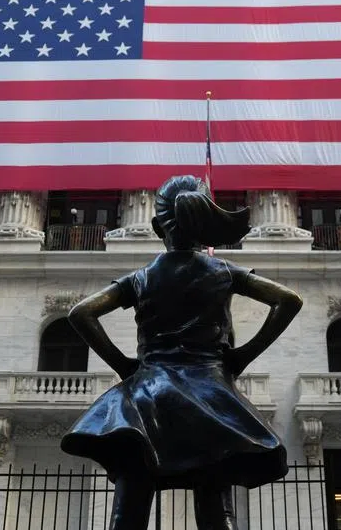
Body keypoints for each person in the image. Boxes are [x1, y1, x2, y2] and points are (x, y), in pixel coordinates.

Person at [61, 175, 304, 530]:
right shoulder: (222, 270)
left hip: (146, 398)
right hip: (210, 396)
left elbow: (80, 313)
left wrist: (125, 366)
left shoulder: (141, 277)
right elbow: (288, 300)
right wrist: (243, 356)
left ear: (159, 226)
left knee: (128, 510)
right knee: (216, 511)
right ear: (204, 223)